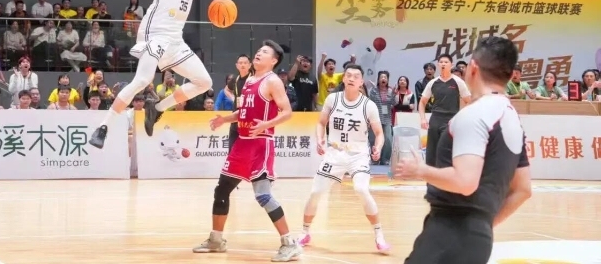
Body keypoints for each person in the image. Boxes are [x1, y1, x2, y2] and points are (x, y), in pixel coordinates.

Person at [89, 0, 236, 148]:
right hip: (154, 35)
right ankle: (103, 127)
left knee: (204, 82)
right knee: (142, 79)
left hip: (175, 41)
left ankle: (157, 107)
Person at [396, 36, 531, 264]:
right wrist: (483, 225)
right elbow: (523, 190)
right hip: (479, 238)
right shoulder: (512, 118)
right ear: (509, 75)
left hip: (448, 234)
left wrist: (420, 170)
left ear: (473, 68)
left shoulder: (474, 115)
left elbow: (465, 181)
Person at [193, 40, 302, 262]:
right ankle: (216, 240)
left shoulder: (273, 81)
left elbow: (287, 112)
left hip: (260, 143)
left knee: (263, 195)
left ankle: (290, 243)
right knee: (222, 190)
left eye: (265, 52)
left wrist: (266, 124)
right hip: (242, 143)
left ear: (274, 60)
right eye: (259, 50)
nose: (259, 53)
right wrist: (224, 119)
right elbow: (243, 111)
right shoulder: (249, 80)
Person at [297, 64, 390, 253]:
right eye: (348, 75)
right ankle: (305, 232)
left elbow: (379, 133)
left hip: (358, 154)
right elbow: (321, 123)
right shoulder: (333, 99)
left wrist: (378, 147)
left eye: (356, 76)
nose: (352, 78)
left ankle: (379, 235)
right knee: (316, 192)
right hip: (334, 153)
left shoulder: (369, 105)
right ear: (344, 79)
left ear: (361, 82)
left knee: (362, 189)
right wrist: (320, 139)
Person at [418, 54, 471, 166]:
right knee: (431, 151)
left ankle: (446, 174)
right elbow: (422, 102)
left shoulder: (458, 82)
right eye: (441, 62)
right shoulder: (433, 82)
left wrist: (460, 117)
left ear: (451, 65)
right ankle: (431, 175)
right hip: (435, 119)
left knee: (446, 150)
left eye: (446, 62)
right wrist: (422, 119)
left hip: (451, 119)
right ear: (438, 65)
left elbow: (469, 101)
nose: (443, 64)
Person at [227, 54, 252, 152]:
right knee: (232, 150)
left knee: (247, 151)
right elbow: (226, 89)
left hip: (249, 120)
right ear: (236, 65)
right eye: (240, 63)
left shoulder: (254, 79)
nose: (243, 65)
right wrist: (233, 98)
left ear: (250, 65)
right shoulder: (235, 79)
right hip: (235, 119)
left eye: (245, 63)